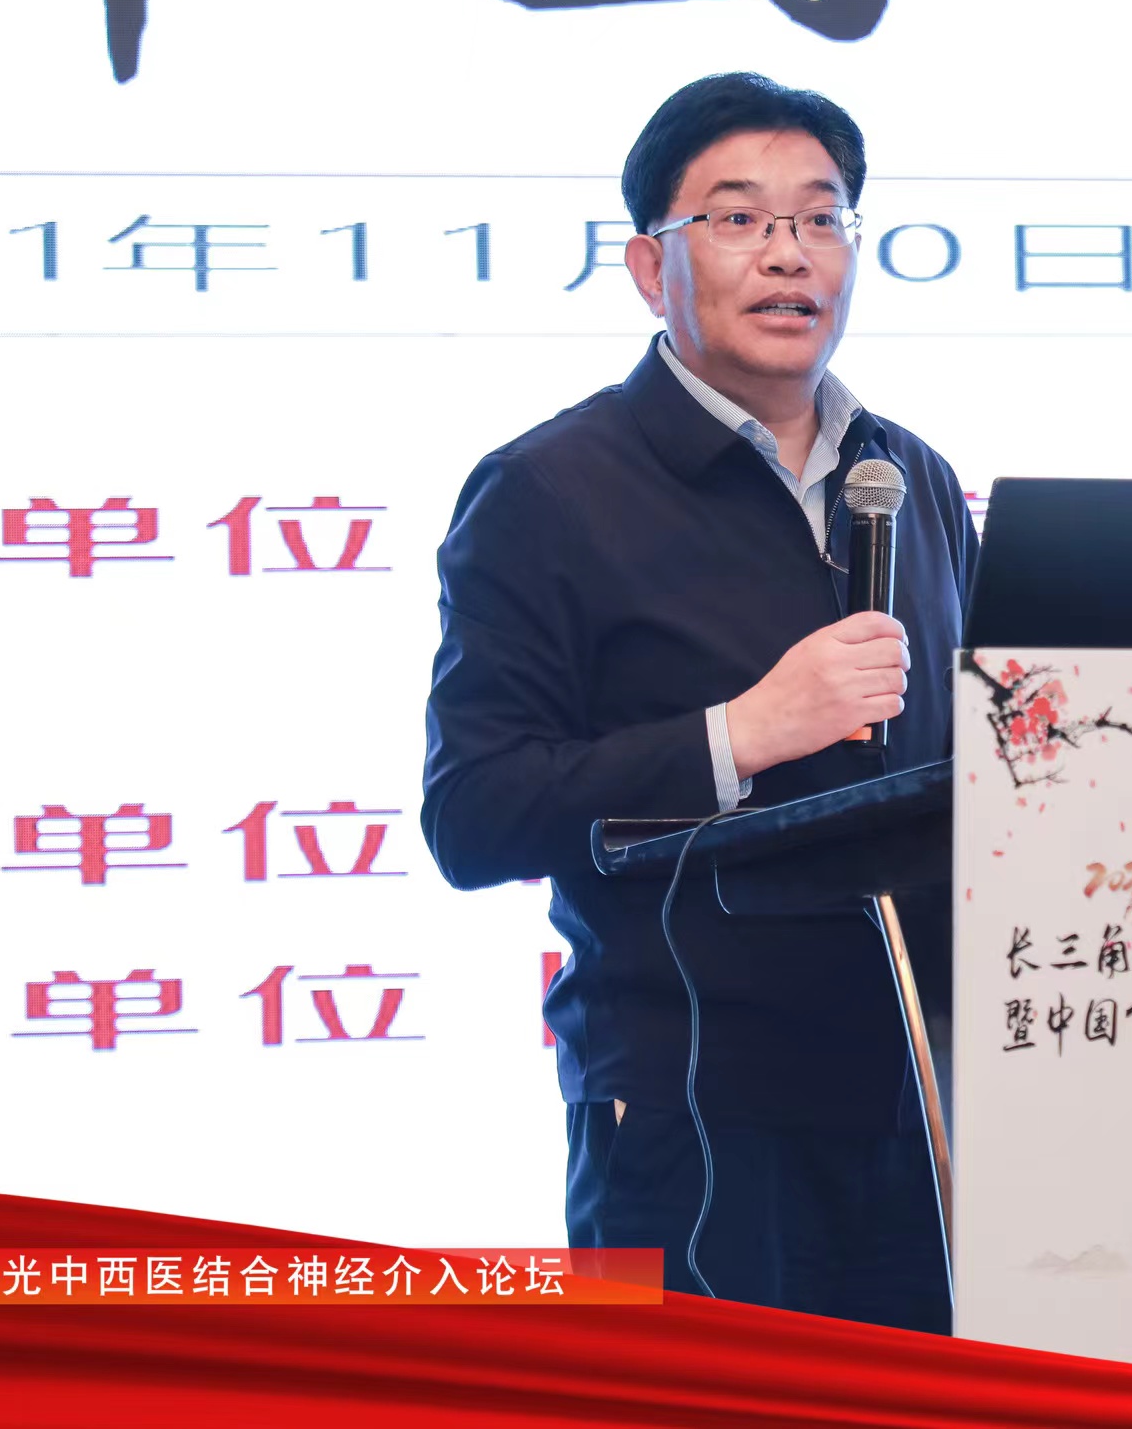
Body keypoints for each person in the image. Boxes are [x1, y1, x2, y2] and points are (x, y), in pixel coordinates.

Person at [420, 73, 974, 1334]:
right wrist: (745, 733)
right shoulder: (547, 490)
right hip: (691, 1114)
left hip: (926, 1100)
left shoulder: (911, 477)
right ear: (647, 266)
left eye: (821, 218)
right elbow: (475, 812)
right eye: (737, 218)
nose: (789, 253)